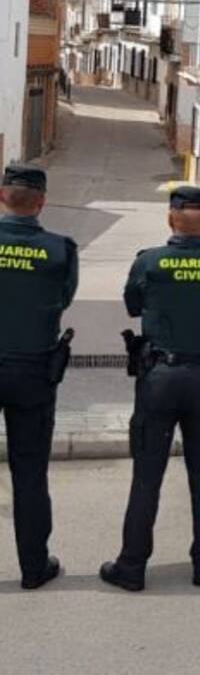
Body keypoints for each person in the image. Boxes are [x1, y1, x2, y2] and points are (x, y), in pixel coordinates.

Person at [100, 186, 200, 592]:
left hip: (159, 378)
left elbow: (132, 305)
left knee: (147, 476)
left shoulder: (150, 262)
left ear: (170, 218)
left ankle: (131, 567)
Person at [0, 164, 77, 589]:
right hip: (32, 371)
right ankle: (34, 568)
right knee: (29, 472)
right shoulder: (60, 249)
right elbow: (63, 298)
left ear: (1, 196)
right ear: (41, 202)